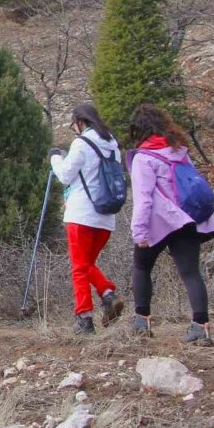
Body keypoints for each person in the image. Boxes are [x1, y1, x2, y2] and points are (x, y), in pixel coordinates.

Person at [127, 103, 214, 345]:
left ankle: (141, 322)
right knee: (190, 273)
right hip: (187, 220)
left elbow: (144, 199)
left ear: (139, 130)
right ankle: (201, 327)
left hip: (160, 222)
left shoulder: (144, 158)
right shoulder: (179, 151)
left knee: (141, 267)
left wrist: (139, 231)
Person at [49, 103, 127, 334]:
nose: (74, 129)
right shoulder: (112, 143)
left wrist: (54, 158)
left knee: (79, 268)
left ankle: (84, 319)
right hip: (106, 215)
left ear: (80, 122)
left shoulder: (81, 143)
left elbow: (64, 175)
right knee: (86, 264)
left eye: (74, 124)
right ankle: (107, 295)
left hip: (81, 213)